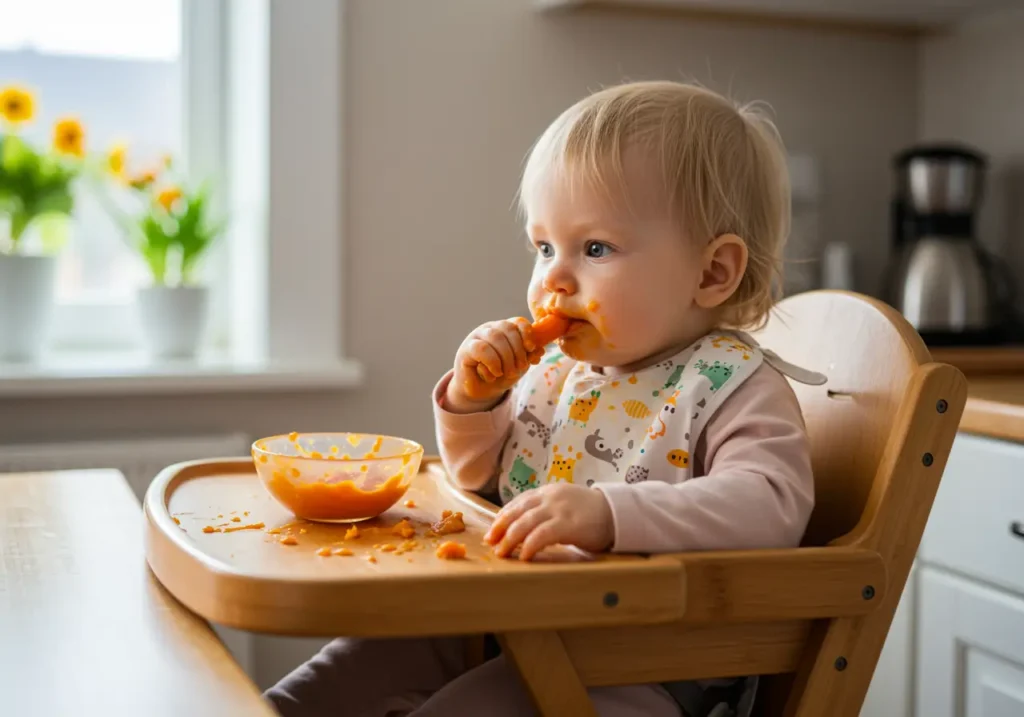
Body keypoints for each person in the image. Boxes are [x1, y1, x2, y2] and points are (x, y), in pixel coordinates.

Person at [266, 79, 824, 717]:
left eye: (594, 249)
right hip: (506, 615)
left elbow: (770, 505)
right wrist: (476, 402)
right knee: (349, 670)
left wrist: (608, 515)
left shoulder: (730, 385)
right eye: (544, 246)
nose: (554, 277)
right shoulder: (559, 369)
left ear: (711, 272)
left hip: (639, 663)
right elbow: (482, 485)